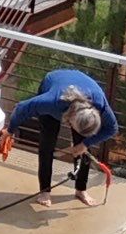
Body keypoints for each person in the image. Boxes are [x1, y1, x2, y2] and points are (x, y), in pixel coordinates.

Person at [6, 68, 116, 207]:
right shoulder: (50, 102)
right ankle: (45, 191)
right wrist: (9, 131)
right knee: (47, 143)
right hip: (53, 82)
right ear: (70, 120)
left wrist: (86, 143)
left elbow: (113, 128)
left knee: (83, 149)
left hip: (80, 81)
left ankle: (81, 189)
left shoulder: (99, 104)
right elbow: (21, 108)